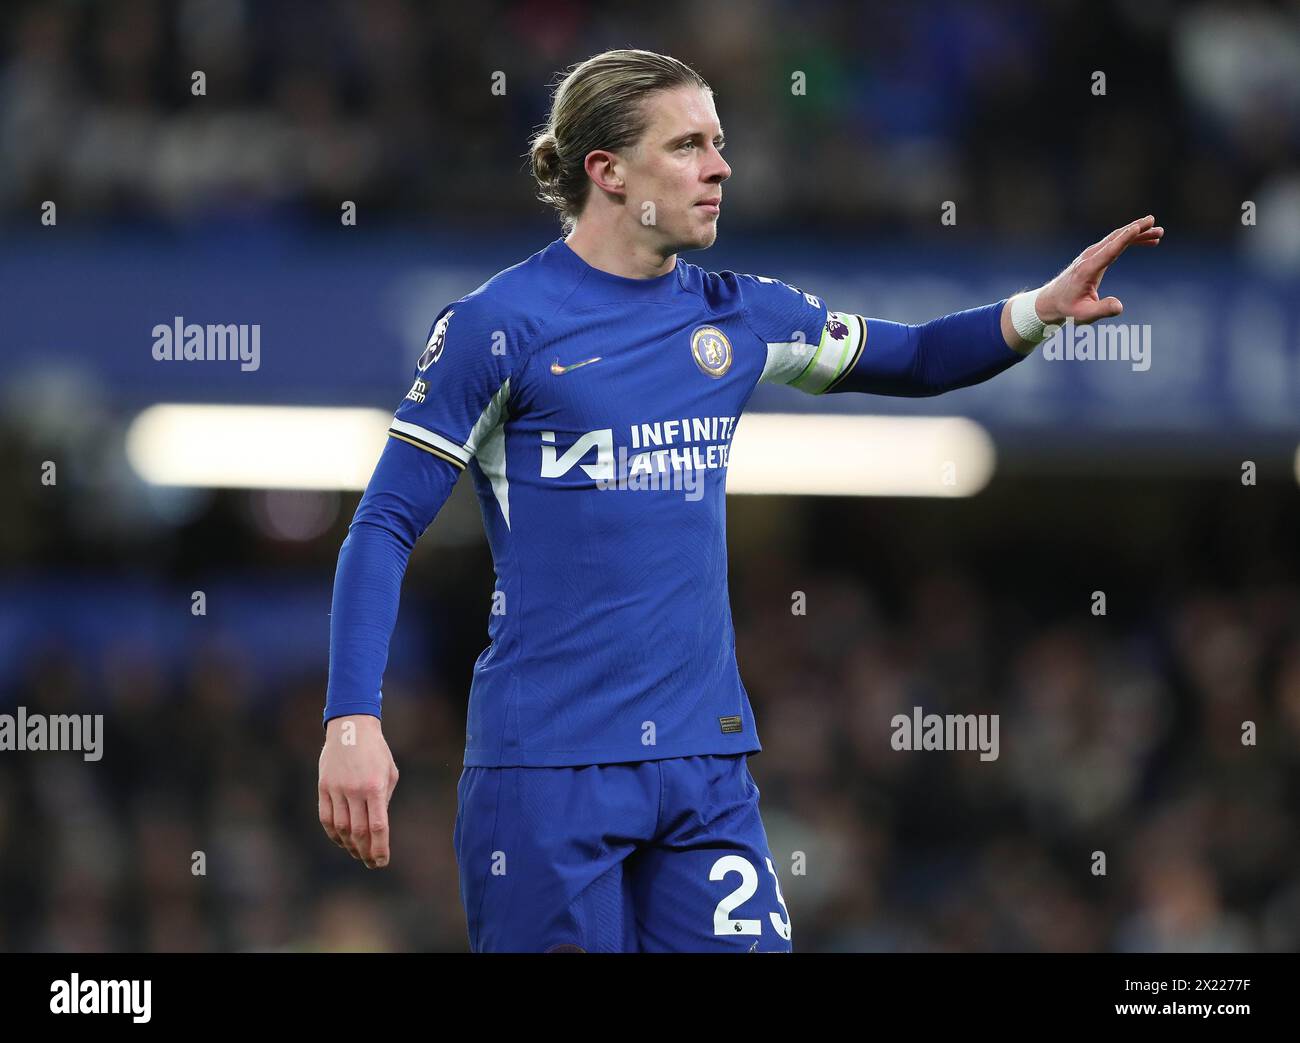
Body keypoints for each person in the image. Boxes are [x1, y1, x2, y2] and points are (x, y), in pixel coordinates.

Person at [317, 48, 1162, 952]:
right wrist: (352, 718)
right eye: (687, 146)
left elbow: (912, 357)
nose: (721, 167)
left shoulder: (739, 314)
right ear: (607, 171)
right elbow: (383, 524)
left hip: (703, 765)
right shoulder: (498, 327)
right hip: (548, 773)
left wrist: (1038, 307)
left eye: (718, 143)